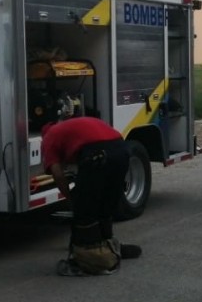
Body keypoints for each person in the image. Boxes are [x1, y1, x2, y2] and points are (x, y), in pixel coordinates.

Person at [40, 116, 142, 276]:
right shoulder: (72, 126)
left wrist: (70, 198)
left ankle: (90, 260)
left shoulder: (49, 138)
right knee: (105, 204)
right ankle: (109, 246)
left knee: (84, 210)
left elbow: (58, 174)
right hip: (121, 150)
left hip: (98, 154)